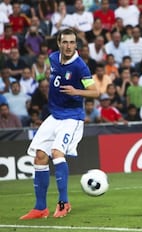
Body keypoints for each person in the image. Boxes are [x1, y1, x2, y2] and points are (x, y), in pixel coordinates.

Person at [20, 28, 100, 220]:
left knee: (57, 152)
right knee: (39, 156)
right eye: (65, 42)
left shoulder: (80, 66)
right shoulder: (53, 58)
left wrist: (77, 92)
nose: (69, 46)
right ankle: (40, 209)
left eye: (72, 42)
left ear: (76, 44)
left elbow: (95, 92)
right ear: (59, 43)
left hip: (72, 117)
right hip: (54, 116)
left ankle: (64, 203)